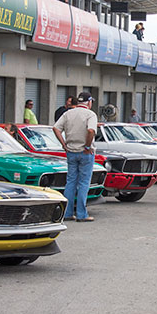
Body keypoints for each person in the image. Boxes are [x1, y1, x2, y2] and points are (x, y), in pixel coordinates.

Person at [53, 92, 98, 222]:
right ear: (89, 102)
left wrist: (63, 144)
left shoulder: (67, 113)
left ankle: (67, 213)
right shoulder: (90, 115)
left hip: (71, 151)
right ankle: (81, 214)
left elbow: (56, 128)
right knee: (84, 182)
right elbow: (91, 131)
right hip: (85, 152)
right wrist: (88, 147)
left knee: (71, 182)